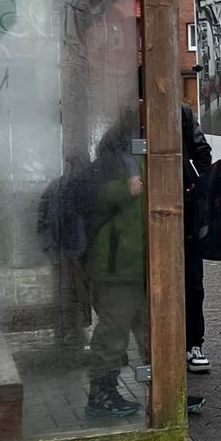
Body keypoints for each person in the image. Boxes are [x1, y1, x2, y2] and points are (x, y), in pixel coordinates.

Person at [82, 112, 148, 419]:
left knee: (151, 329)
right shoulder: (110, 163)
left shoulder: (144, 156)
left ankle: (165, 393)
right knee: (114, 329)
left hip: (144, 261)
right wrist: (125, 190)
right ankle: (102, 393)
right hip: (117, 264)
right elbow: (88, 196)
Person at [182, 103, 214, 381]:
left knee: (193, 284)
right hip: (144, 215)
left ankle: (194, 343)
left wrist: (195, 183)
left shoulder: (181, 112)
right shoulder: (125, 112)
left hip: (186, 214)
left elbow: (203, 152)